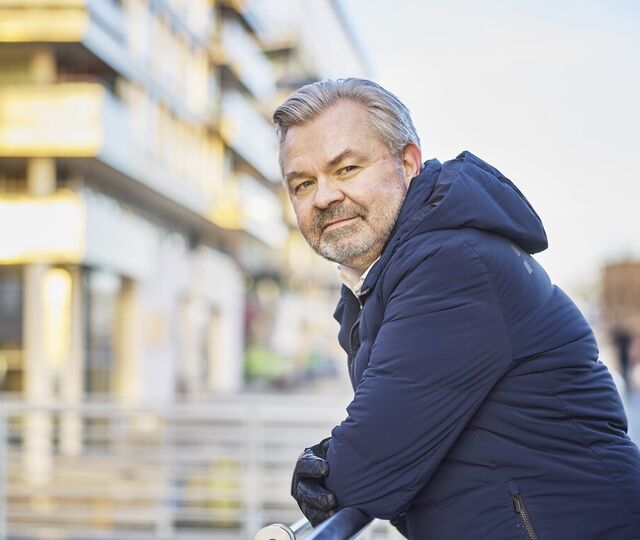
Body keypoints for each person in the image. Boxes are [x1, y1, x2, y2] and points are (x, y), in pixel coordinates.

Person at [272, 78, 640, 539]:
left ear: (407, 162)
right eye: (303, 183)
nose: (323, 196)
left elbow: (368, 471)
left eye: (346, 168)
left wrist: (324, 464)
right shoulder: (381, 284)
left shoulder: (453, 264)